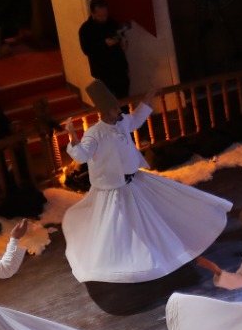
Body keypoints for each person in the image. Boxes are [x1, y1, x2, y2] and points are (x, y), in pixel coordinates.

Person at [61, 80, 232, 283]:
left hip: (136, 181)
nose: (119, 111)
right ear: (105, 112)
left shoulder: (122, 122)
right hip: (114, 189)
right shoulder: (95, 134)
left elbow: (136, 119)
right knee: (122, 230)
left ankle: (164, 247)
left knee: (157, 213)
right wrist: (73, 137)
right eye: (115, 109)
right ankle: (131, 264)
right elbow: (82, 155)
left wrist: (150, 96)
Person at [78, 0, 130, 99]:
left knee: (124, 100)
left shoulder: (112, 23)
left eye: (105, 15)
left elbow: (121, 38)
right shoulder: (86, 29)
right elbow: (86, 50)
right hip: (102, 72)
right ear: (92, 13)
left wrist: (123, 42)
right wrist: (104, 44)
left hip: (119, 69)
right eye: (100, 16)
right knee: (108, 102)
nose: (104, 18)